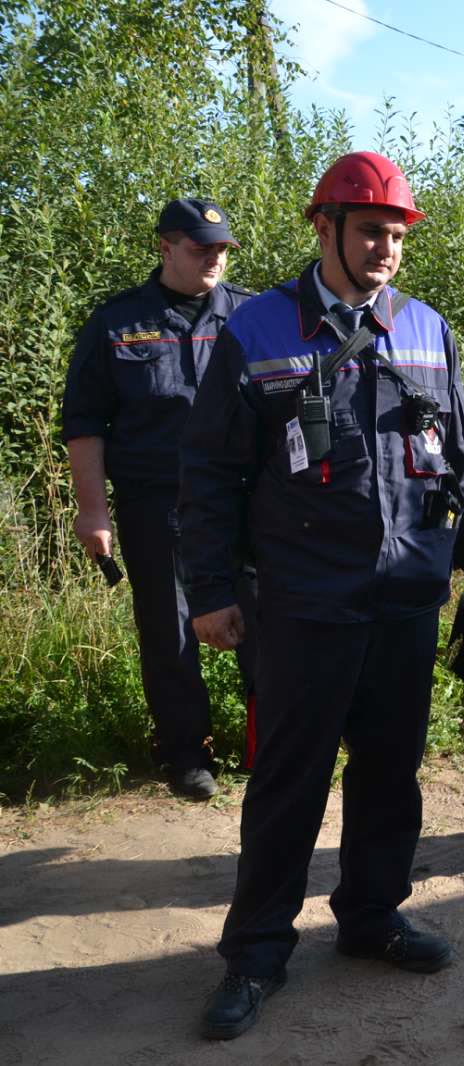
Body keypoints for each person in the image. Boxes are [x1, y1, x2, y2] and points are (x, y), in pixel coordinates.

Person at [178, 152, 464, 1040]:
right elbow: (208, 473)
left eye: (397, 235)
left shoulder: (429, 331)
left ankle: (370, 919)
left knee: (391, 777)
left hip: (406, 597)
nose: (386, 249)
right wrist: (210, 589)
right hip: (303, 603)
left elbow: (461, 459)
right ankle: (254, 955)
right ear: (324, 228)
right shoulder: (257, 330)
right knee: (289, 784)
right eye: (370, 231)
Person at [60, 198, 256, 800]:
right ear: (165, 247)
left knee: (266, 620)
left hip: (246, 502)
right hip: (157, 503)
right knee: (168, 633)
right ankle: (186, 754)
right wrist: (93, 511)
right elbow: (85, 424)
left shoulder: (254, 316)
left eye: (222, 250)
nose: (214, 260)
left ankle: (268, 739)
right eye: (202, 249)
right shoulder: (117, 323)